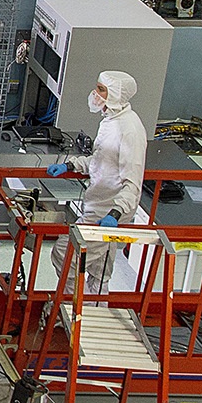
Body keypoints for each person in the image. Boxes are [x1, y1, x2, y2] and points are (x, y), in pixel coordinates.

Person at [46, 70, 148, 293]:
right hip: (99, 203)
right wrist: (71, 165)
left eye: (101, 90)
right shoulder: (111, 120)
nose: (95, 93)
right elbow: (102, 160)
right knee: (100, 269)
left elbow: (132, 182)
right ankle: (96, 303)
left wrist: (115, 214)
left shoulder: (129, 129)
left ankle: (70, 304)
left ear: (116, 94)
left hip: (108, 210)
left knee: (65, 255)